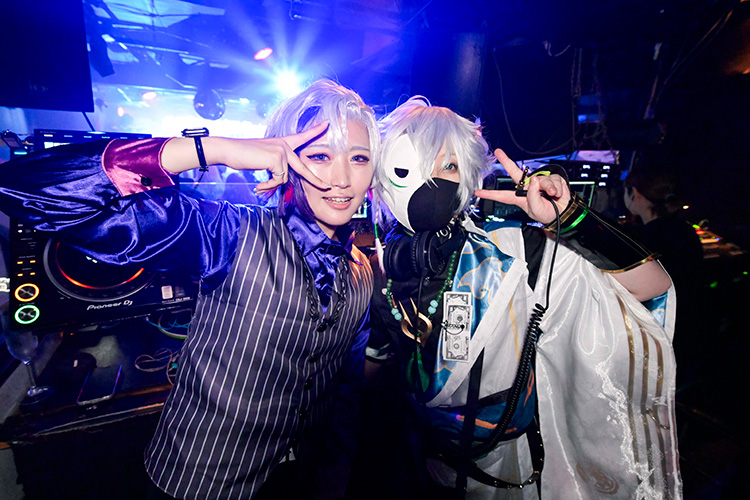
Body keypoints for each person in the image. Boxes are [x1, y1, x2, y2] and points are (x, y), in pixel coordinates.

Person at [0, 79, 379, 499]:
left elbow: (345, 390)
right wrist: (211, 149)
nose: (342, 178)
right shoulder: (229, 233)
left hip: (300, 481)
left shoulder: (362, 273)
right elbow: (27, 188)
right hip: (198, 482)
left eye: (359, 158)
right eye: (320, 156)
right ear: (286, 159)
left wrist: (334, 476)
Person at [362, 97, 680, 499]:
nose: (433, 182)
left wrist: (571, 218)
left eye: (449, 166)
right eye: (412, 166)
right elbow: (371, 373)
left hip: (508, 469)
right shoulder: (380, 270)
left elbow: (650, 286)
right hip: (419, 465)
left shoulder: (511, 252)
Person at [623, 168, 705, 390]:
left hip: (660, 341)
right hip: (690, 334)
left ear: (636, 194)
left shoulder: (645, 238)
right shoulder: (684, 230)